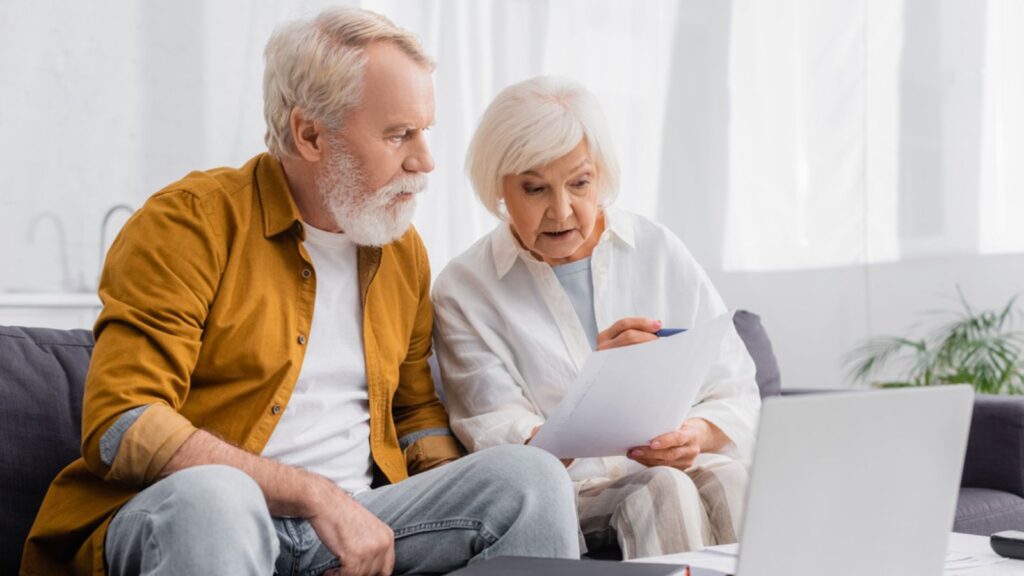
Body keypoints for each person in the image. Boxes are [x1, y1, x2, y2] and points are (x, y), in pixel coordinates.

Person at [22, 10, 579, 576]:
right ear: (310, 134)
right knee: (219, 495)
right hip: (202, 518)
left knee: (529, 481)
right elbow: (122, 421)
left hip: (357, 522)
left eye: (424, 131)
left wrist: (439, 480)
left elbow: (414, 413)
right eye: (397, 135)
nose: (424, 161)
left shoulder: (401, 251)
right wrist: (315, 496)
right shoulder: (190, 224)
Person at [433, 76, 761, 559]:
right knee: (661, 491)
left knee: (736, 478)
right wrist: (601, 386)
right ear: (498, 186)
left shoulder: (657, 249)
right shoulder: (465, 290)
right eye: (535, 188)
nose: (561, 210)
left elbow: (735, 387)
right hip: (571, 494)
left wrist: (694, 435)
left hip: (676, 471)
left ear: (600, 174)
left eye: (580, 183)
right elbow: (504, 452)